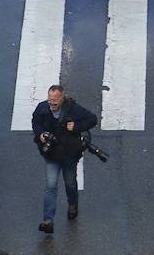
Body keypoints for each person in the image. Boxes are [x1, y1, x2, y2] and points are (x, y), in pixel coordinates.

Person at [31, 84, 97, 235]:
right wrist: (40, 134)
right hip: (52, 155)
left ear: (62, 98)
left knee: (70, 183)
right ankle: (48, 220)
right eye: (49, 99)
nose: (52, 103)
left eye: (55, 100)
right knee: (51, 186)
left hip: (69, 155)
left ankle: (72, 204)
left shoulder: (73, 109)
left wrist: (76, 126)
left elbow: (92, 120)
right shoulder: (42, 109)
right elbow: (36, 123)